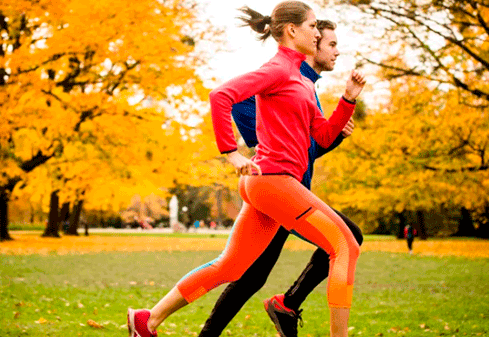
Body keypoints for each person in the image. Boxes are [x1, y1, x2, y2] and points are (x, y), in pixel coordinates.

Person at [127, 2, 366, 337]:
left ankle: (147, 320)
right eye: (313, 26)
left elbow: (323, 135)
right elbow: (221, 96)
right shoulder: (279, 69)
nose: (317, 33)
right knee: (344, 245)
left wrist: (348, 100)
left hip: (270, 185)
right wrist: (232, 153)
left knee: (232, 266)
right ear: (292, 30)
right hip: (273, 181)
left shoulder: (302, 79)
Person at [198, 19, 363, 337]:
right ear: (311, 43)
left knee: (250, 274)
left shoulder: (307, 84)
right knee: (346, 240)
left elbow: (306, 150)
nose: (336, 51)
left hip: (291, 189)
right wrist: (258, 144)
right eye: (329, 43)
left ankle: (282, 306)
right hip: (276, 187)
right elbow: (237, 102)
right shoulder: (287, 76)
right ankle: (286, 304)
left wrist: (335, 133)